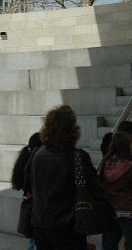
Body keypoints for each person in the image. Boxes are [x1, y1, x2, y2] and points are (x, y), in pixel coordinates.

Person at [26, 105, 104, 250]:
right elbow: (96, 190)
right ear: (71, 130)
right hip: (68, 226)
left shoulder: (37, 154)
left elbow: (28, 184)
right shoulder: (78, 157)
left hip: (40, 224)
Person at [100, 131, 132, 250]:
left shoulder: (107, 163)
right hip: (128, 210)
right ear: (125, 146)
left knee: (110, 244)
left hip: (110, 209)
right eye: (131, 144)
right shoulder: (130, 166)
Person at [12, 132, 43, 250]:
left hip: (30, 207)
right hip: (38, 209)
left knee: (32, 242)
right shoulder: (36, 163)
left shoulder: (25, 161)